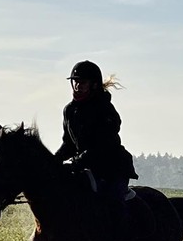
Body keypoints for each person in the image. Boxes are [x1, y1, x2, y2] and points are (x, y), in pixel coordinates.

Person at [55, 60, 137, 207]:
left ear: (93, 85)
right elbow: (68, 144)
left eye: (82, 82)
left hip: (111, 168)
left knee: (112, 204)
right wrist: (53, 161)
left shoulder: (104, 108)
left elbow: (103, 145)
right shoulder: (69, 110)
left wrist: (77, 161)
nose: (77, 86)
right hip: (84, 167)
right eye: (75, 82)